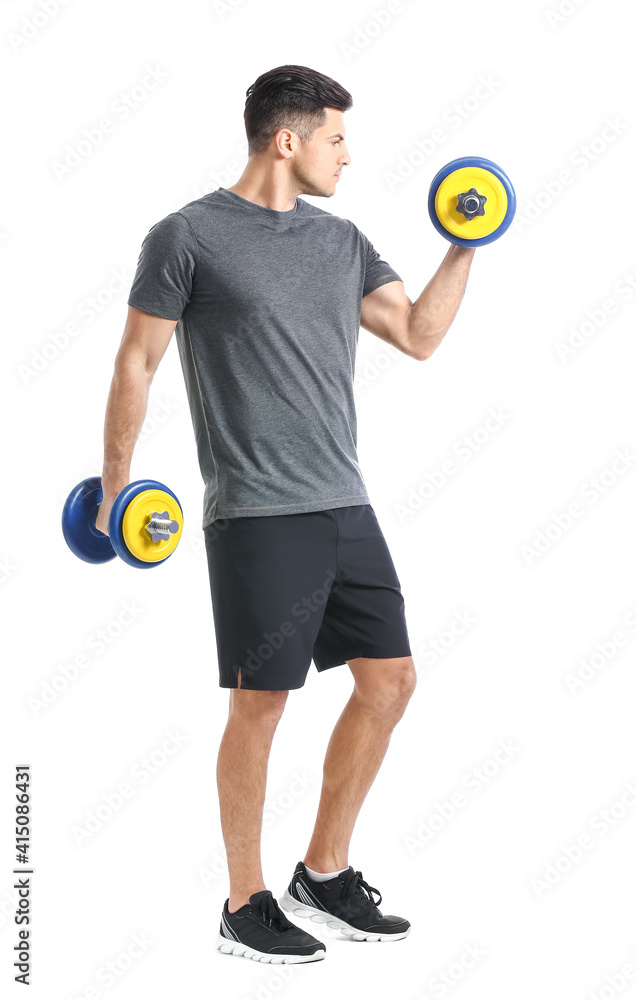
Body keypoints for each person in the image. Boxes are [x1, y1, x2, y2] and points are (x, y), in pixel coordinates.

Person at [95, 64, 475, 964]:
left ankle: (326, 874)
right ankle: (243, 902)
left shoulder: (342, 242)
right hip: (257, 511)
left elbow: (418, 335)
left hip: (346, 502)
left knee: (391, 682)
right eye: (337, 138)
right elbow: (136, 364)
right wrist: (114, 490)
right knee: (262, 704)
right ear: (287, 139)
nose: (350, 155)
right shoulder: (186, 236)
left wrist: (467, 242)